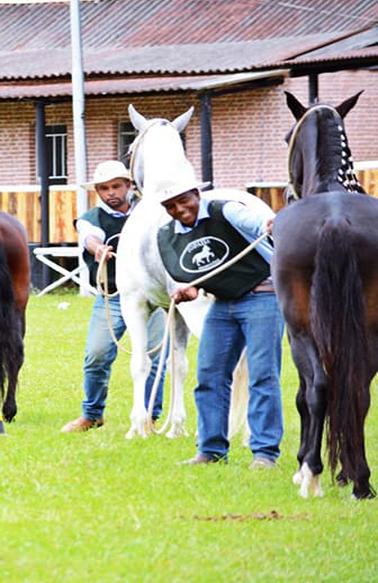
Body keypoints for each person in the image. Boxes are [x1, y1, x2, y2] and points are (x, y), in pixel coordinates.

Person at [155, 175, 282, 469]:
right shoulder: (168, 235)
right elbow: (195, 274)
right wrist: (190, 290)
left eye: (184, 200)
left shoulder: (226, 210)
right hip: (223, 303)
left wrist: (272, 224)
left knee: (263, 375)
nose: (180, 209)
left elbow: (260, 224)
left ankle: (264, 454)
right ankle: (210, 450)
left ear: (196, 194)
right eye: (171, 205)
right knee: (209, 375)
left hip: (263, 294)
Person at [61, 161, 166, 433]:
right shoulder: (91, 217)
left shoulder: (149, 212)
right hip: (113, 296)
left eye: (116, 186)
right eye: (104, 188)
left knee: (155, 356)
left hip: (153, 296)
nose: (111, 192)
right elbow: (88, 237)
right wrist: (98, 249)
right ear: (97, 191)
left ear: (129, 185)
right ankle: (92, 414)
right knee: (96, 354)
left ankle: (150, 416)